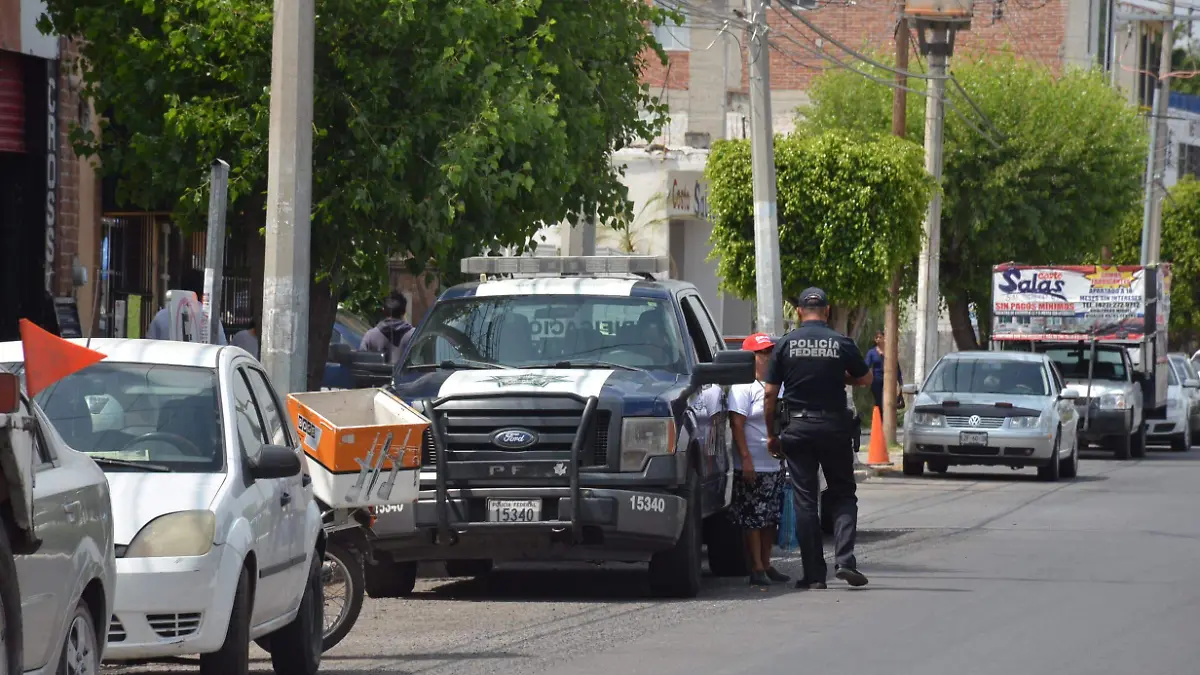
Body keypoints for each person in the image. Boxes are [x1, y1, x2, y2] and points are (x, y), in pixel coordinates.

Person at [763, 287, 873, 590]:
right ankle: (845, 561)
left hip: (797, 429)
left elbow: (770, 393)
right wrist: (841, 376)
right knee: (842, 493)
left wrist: (772, 434)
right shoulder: (841, 343)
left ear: (799, 311)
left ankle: (813, 575)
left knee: (805, 500)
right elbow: (865, 379)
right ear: (826, 311)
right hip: (834, 427)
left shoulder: (784, 345)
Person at [729, 333, 790, 587]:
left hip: (774, 463)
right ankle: (755, 566)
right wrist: (746, 460)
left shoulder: (778, 385)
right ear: (750, 357)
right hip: (753, 463)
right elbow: (737, 424)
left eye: (770, 352)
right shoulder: (742, 386)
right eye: (762, 353)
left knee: (771, 518)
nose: (767, 358)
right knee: (753, 517)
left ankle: (766, 563)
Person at [146, 269, 227, 344]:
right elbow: (221, 347)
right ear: (203, 291)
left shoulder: (161, 316)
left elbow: (149, 346)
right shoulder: (210, 317)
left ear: (181, 287)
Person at [361, 292, 415, 364]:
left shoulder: (370, 336)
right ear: (404, 312)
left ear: (384, 311)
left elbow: (361, 363)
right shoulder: (415, 335)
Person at [864, 330, 902, 413]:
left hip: (889, 381)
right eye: (876, 337)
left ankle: (887, 422)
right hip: (876, 382)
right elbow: (866, 366)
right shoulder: (871, 352)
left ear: (884, 338)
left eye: (880, 337)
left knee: (889, 403)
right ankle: (880, 422)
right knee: (879, 403)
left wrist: (900, 382)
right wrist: (864, 379)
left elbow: (897, 367)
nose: (878, 339)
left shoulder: (890, 352)